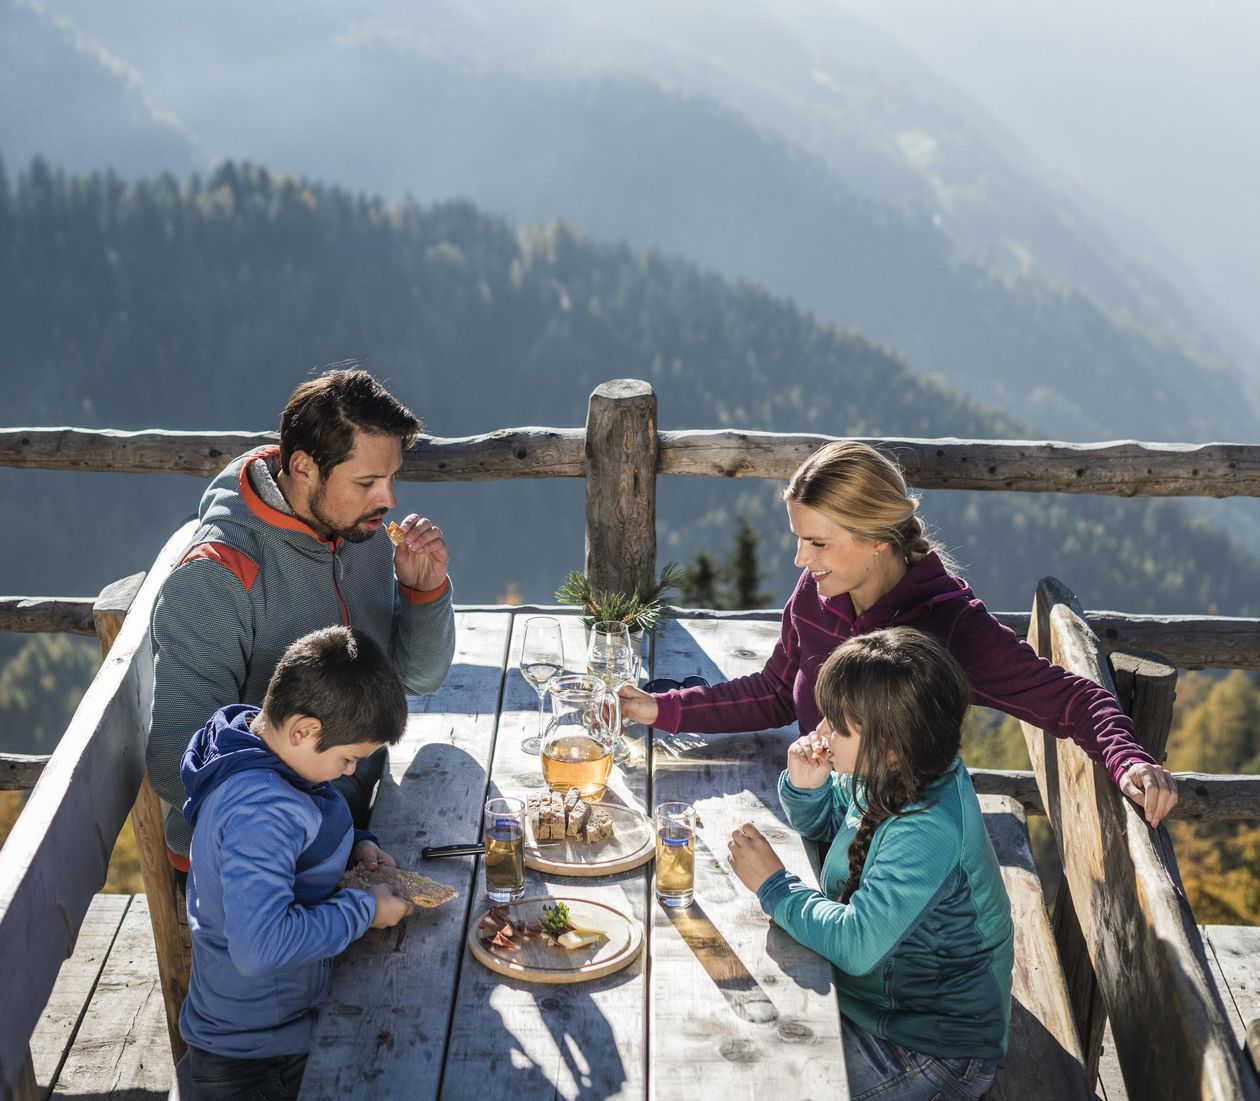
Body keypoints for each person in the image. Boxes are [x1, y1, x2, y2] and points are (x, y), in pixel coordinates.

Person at [621, 440, 1178, 826]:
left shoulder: (948, 623)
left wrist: (1128, 759)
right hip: (814, 811)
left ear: (877, 538)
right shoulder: (818, 596)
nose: (798, 559)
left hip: (892, 864)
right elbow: (773, 691)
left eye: (816, 543)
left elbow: (1069, 698)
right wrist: (661, 709)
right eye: (798, 538)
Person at [147, 365, 456, 869]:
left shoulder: (362, 530)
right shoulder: (218, 575)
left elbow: (418, 680)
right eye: (367, 481)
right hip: (257, 856)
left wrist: (423, 593)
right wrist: (332, 830)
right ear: (305, 468)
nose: (389, 500)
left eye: (391, 477)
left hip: (356, 813)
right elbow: (175, 762)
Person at [728, 628, 1012, 1100]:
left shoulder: (926, 828)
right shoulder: (896, 771)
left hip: (930, 1050)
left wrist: (775, 886)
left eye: (839, 726)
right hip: (873, 1003)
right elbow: (831, 823)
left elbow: (858, 943)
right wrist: (809, 787)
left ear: (892, 744)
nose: (821, 732)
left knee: (767, 1082)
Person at [179, 626, 415, 1101]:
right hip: (250, 1059)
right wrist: (365, 910)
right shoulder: (260, 810)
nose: (351, 772)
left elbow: (307, 829)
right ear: (303, 729)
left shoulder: (264, 748)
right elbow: (259, 948)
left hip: (281, 1024)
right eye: (349, 759)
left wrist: (356, 846)